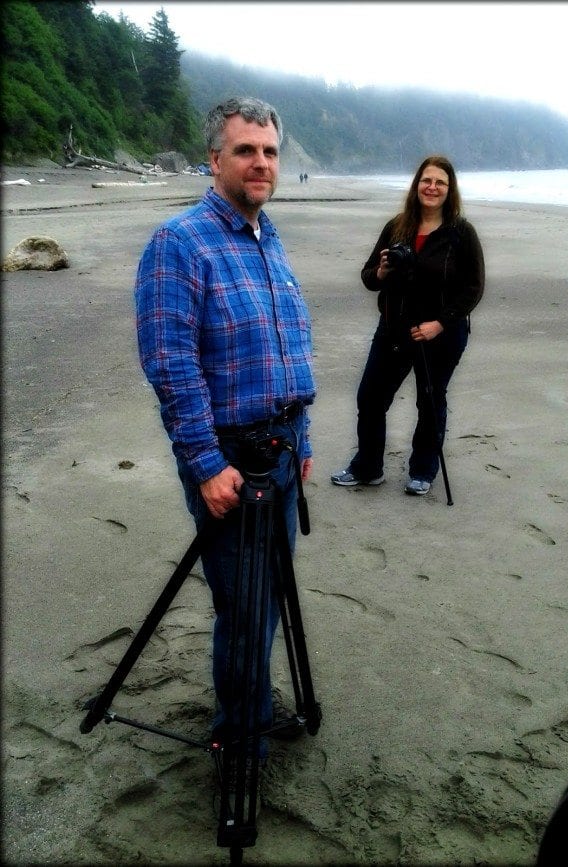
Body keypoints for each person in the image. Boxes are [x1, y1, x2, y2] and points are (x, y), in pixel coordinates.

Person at [134, 97, 316, 763]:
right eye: (245, 150)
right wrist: (206, 463)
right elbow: (170, 362)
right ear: (214, 159)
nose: (260, 163)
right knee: (244, 611)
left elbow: (289, 348)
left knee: (270, 601)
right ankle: (241, 742)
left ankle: (256, 711)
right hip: (230, 458)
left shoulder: (270, 240)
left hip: (283, 446)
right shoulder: (179, 244)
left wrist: (305, 439)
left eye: (269, 151)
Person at [331, 154, 484, 495]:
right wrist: (382, 272)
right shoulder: (397, 226)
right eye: (426, 181)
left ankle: (423, 471)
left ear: (450, 189)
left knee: (430, 401)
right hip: (393, 329)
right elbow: (370, 277)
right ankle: (368, 467)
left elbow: (473, 288)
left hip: (441, 335)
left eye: (440, 182)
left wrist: (440, 324)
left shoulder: (461, 233)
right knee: (370, 397)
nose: (432, 187)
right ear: (417, 185)